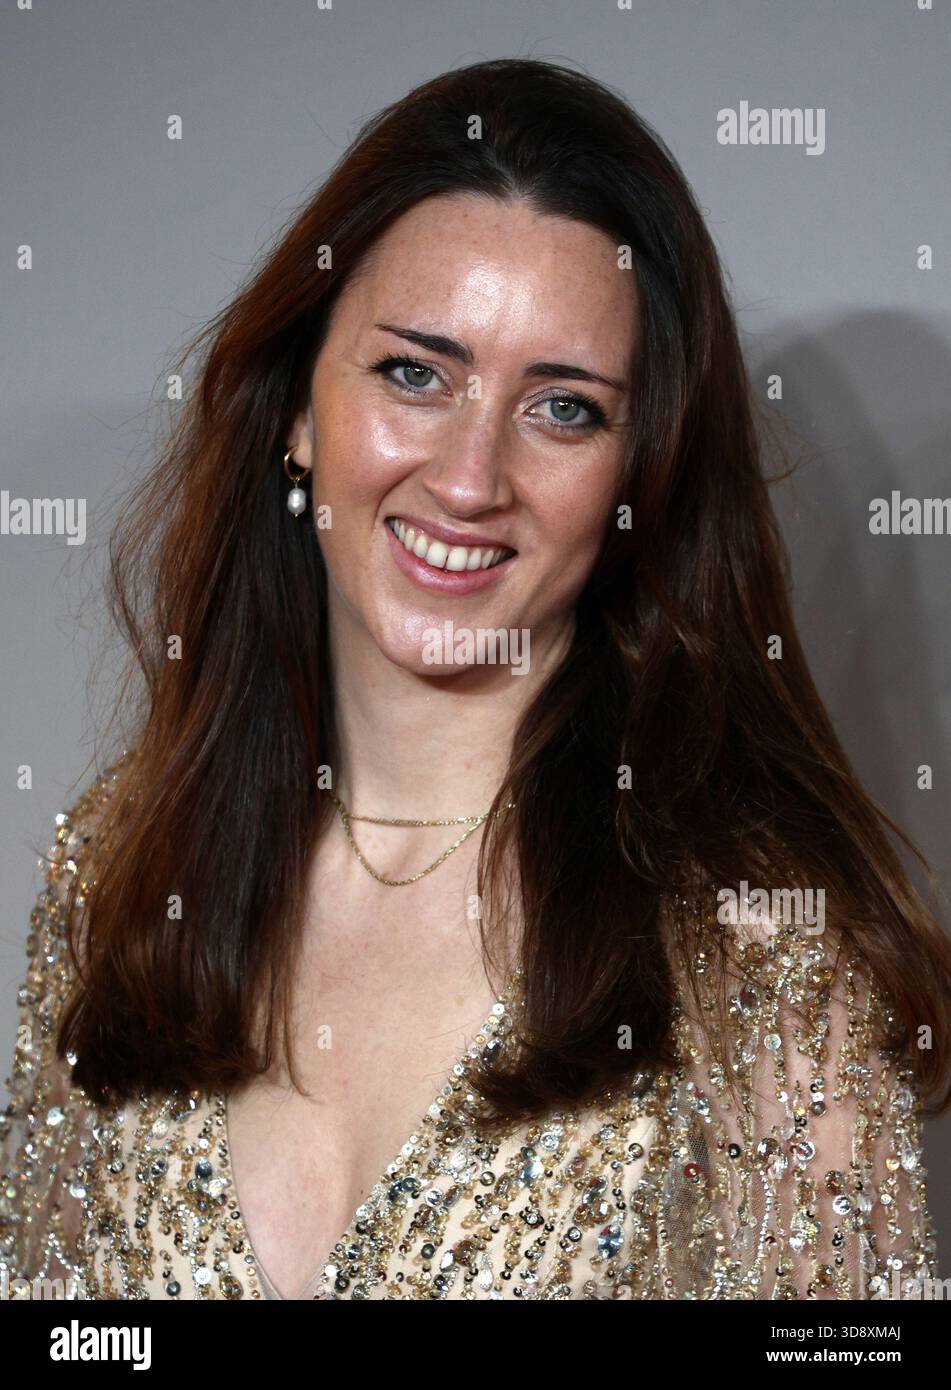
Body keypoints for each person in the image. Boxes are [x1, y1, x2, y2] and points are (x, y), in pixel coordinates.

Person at [2, 57, 949, 1302]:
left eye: (563, 409)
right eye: (415, 373)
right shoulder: (116, 867)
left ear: (637, 483)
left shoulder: (757, 954)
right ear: (296, 408)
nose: (468, 477)